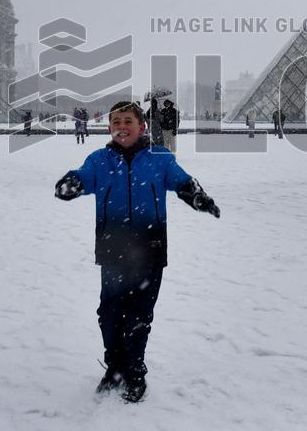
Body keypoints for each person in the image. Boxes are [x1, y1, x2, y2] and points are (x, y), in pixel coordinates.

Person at [54, 101, 221, 403]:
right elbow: (80, 177)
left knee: (139, 315)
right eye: (116, 121)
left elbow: (182, 182)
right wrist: (69, 184)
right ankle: (114, 367)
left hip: (149, 250)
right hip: (113, 250)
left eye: (128, 121)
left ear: (141, 126)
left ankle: (134, 372)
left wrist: (199, 198)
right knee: (109, 314)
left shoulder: (160, 159)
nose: (121, 126)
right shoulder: (98, 160)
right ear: (109, 128)